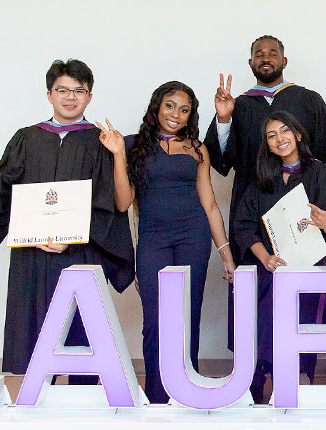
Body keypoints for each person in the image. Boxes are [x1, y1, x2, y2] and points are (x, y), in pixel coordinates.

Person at [0, 59, 135, 384]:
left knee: (84, 340)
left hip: (81, 256)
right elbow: (3, 187)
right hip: (33, 256)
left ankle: (82, 410)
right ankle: (38, 409)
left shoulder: (101, 141)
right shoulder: (27, 138)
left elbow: (112, 203)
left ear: (89, 96)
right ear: (49, 94)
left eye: (79, 91)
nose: (70, 97)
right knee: (35, 341)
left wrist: (73, 235)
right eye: (62, 90)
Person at [96, 81, 236, 404]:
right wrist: (118, 156)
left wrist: (225, 253)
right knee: (156, 319)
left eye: (184, 110)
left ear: (190, 116)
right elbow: (123, 202)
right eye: (170, 106)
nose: (176, 114)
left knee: (189, 315)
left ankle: (187, 394)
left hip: (194, 235)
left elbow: (211, 205)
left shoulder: (197, 149)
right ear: (157, 106)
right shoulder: (133, 146)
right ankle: (158, 397)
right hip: (153, 239)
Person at [205, 34, 326, 355]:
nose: (266, 57)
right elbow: (221, 163)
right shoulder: (239, 105)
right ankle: (253, 378)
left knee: (301, 299)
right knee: (253, 299)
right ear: (251, 63)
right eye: (258, 54)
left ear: (284, 61)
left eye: (273, 52)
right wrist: (224, 118)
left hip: (301, 219)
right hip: (251, 217)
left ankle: (299, 374)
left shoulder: (308, 100)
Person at [232, 110, 326, 403]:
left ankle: (300, 381)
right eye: (272, 136)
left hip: (307, 271)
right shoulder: (264, 179)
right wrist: (264, 257)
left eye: (285, 131)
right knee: (267, 323)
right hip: (271, 273)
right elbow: (243, 224)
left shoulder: (319, 172)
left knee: (302, 324)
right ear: (267, 144)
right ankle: (268, 380)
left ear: (298, 134)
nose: (279, 139)